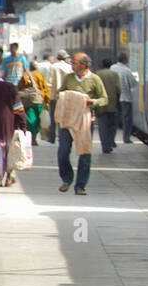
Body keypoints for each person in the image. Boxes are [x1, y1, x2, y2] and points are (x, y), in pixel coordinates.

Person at [55, 51, 106, 195]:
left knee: (84, 153)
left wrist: (93, 102)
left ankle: (80, 185)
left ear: (84, 65)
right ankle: (67, 178)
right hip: (68, 119)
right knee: (63, 152)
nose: (71, 65)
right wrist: (64, 96)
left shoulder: (94, 79)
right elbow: (59, 92)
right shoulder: (69, 78)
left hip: (85, 121)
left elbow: (104, 98)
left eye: (74, 63)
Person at [18, 60, 51, 146]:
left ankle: (30, 137)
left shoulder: (25, 75)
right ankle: (34, 138)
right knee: (37, 120)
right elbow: (45, 88)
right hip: (38, 100)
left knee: (29, 120)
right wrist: (47, 100)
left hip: (27, 102)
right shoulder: (40, 75)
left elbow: (19, 88)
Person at [43, 50, 71, 144]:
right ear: (65, 58)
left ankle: (52, 137)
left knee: (53, 117)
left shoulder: (53, 66)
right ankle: (62, 136)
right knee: (63, 117)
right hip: (66, 96)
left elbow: (49, 82)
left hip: (54, 95)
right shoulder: (69, 67)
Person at [95, 58, 121, 153]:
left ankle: (104, 146)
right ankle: (110, 142)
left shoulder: (97, 74)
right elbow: (118, 89)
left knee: (102, 126)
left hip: (100, 104)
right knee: (112, 125)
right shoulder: (114, 74)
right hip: (112, 104)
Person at [111, 51, 137, 144]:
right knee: (127, 119)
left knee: (114, 119)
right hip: (125, 97)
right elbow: (133, 84)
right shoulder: (127, 70)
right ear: (125, 60)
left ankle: (111, 140)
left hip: (114, 97)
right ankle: (126, 138)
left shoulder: (112, 68)